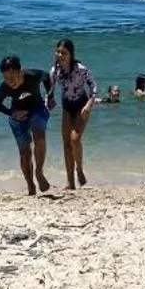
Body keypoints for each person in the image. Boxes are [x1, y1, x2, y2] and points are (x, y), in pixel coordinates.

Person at [0, 55, 52, 195]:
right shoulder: (5, 87)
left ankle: (39, 172)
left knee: (39, 134)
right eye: (5, 78)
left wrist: (51, 95)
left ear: (20, 71)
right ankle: (30, 185)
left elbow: (47, 76)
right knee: (25, 153)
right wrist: (12, 112)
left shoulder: (33, 75)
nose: (9, 82)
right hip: (18, 114)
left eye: (12, 77)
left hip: (37, 109)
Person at [50, 39, 97, 190]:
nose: (60, 55)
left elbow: (94, 87)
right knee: (66, 144)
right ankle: (70, 182)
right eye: (58, 52)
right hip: (66, 107)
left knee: (74, 139)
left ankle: (80, 170)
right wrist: (49, 101)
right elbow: (50, 91)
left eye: (64, 53)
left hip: (81, 105)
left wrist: (89, 105)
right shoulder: (54, 71)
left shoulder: (80, 69)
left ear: (71, 54)